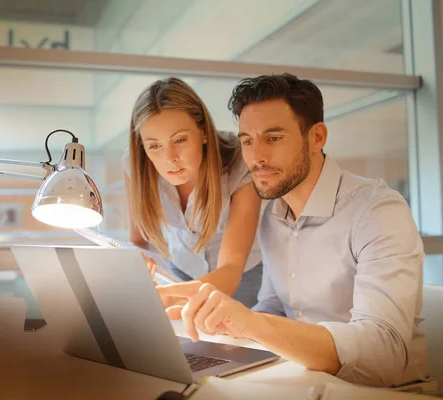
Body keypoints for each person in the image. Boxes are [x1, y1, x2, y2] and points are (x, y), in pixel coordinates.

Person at [161, 73, 429, 387]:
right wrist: (225, 323)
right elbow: (274, 308)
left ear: (316, 138)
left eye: (273, 138)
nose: (256, 157)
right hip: (306, 379)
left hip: (381, 391)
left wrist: (253, 323)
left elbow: (385, 354)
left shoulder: (377, 212)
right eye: (247, 141)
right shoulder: (273, 216)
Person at [124, 77, 262, 308]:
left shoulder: (241, 162)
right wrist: (137, 263)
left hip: (241, 278)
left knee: (237, 341)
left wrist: (166, 298)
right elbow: (138, 241)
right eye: (154, 145)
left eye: (179, 140)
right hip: (180, 270)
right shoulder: (135, 165)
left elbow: (230, 270)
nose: (170, 158)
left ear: (204, 132)